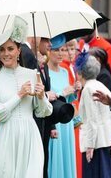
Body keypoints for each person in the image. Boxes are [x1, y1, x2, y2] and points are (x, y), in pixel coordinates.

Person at [0, 16, 53, 178]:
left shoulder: (31, 74)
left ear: (19, 50)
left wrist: (42, 96)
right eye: (2, 49)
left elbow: (44, 112)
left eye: (10, 49)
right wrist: (19, 95)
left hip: (30, 135)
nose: (6, 53)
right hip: (7, 136)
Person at [74, 52, 111, 178]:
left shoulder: (87, 89)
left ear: (80, 73)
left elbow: (91, 120)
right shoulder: (101, 85)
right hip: (107, 141)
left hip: (96, 145)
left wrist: (90, 146)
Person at [47, 34, 77, 178]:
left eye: (63, 50)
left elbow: (67, 99)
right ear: (49, 51)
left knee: (67, 155)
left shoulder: (65, 72)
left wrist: (74, 90)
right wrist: (62, 92)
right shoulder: (44, 72)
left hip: (67, 121)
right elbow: (48, 98)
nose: (60, 54)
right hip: (55, 121)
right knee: (56, 156)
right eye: (57, 50)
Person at [59, 39, 82, 178]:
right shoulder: (64, 68)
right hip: (70, 110)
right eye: (68, 49)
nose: (71, 52)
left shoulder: (71, 67)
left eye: (74, 49)